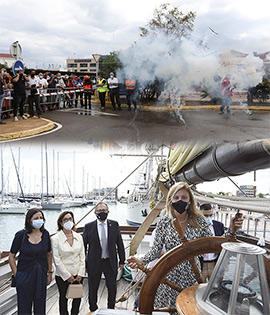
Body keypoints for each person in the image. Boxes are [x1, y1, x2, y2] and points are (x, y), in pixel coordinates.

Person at [126, 182, 243, 311]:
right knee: (166, 308)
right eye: (176, 198)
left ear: (190, 201)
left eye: (184, 197)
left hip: (191, 275)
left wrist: (232, 230)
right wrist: (141, 261)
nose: (180, 201)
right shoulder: (163, 223)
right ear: (170, 200)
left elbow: (212, 244)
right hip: (168, 276)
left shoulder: (198, 221)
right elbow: (155, 250)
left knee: (187, 309)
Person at [8, 208, 52, 315]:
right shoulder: (20, 235)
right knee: (24, 308)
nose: (39, 220)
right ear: (29, 220)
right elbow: (11, 256)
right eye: (36, 218)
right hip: (24, 276)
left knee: (40, 307)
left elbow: (49, 254)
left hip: (40, 275)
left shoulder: (45, 234)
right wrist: (17, 275)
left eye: (41, 218)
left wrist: (49, 273)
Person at [83, 202, 125, 312]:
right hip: (94, 262)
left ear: (108, 212)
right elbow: (83, 247)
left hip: (110, 262)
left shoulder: (114, 225)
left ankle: (111, 309)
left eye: (104, 210)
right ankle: (93, 309)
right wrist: (84, 264)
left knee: (112, 288)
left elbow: (119, 243)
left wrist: (122, 261)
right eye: (100, 210)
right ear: (95, 213)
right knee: (93, 288)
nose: (102, 212)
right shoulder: (89, 227)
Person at [51, 211, 85, 315]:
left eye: (70, 219)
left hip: (78, 274)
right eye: (65, 219)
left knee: (77, 298)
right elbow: (56, 260)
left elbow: (82, 256)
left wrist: (80, 273)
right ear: (61, 223)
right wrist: (67, 276)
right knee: (63, 299)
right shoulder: (55, 239)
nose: (68, 221)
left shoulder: (79, 237)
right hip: (62, 276)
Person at [199, 203, 224, 282]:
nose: (209, 218)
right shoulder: (195, 227)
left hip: (214, 264)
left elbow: (224, 243)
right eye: (206, 216)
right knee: (198, 288)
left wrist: (226, 264)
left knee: (215, 287)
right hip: (200, 265)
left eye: (211, 215)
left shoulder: (219, 226)